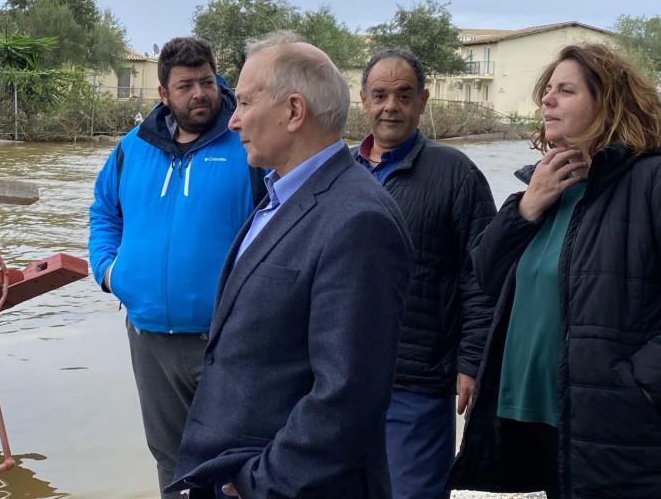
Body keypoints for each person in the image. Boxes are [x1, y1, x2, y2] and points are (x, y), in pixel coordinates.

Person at [167, 32, 413, 498]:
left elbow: (347, 396)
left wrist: (258, 484)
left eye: (242, 102)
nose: (233, 120)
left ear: (294, 112)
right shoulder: (280, 195)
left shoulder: (358, 220)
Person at [448, 43, 661, 498]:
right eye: (547, 90)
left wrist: (641, 387)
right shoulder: (543, 185)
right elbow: (484, 274)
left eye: (565, 90)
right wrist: (525, 208)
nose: (547, 100)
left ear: (607, 103)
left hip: (613, 420)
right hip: (536, 414)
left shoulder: (650, 181)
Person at [88, 36, 264, 498]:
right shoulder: (131, 148)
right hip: (149, 339)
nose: (200, 94)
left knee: (230, 462)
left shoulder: (249, 142)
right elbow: (104, 211)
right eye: (186, 85)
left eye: (207, 81)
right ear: (163, 94)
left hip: (225, 338)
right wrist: (109, 271)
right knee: (169, 457)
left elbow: (282, 219)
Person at [354, 49, 496, 499]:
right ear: (363, 101)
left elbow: (483, 275)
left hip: (418, 378)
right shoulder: (341, 171)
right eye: (379, 95)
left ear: (423, 101)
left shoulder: (457, 174)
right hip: (341, 377)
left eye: (403, 94)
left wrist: (472, 361)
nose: (390, 106)